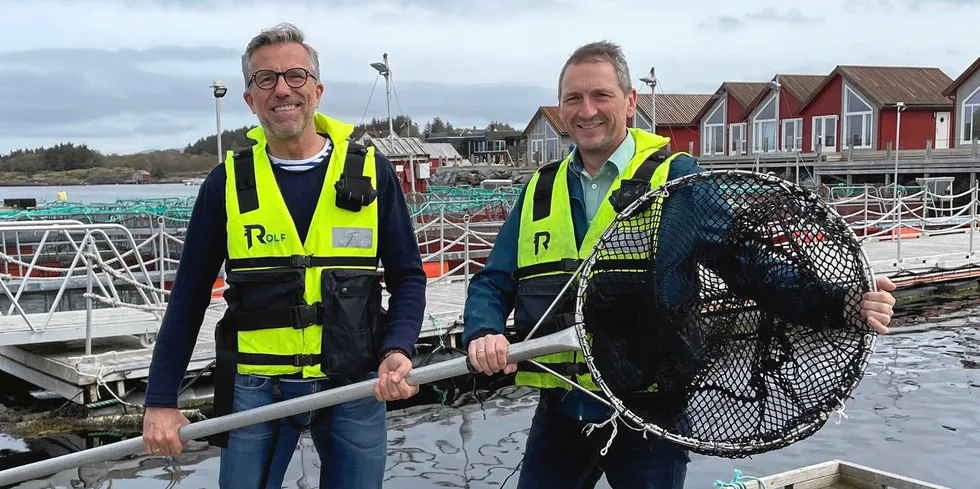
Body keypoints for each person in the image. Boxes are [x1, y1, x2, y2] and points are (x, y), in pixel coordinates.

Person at [462, 40, 897, 489]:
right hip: (561, 410)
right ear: (560, 108)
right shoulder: (538, 189)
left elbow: (752, 265)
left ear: (630, 103)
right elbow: (493, 281)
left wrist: (840, 303)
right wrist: (483, 330)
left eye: (601, 96)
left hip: (651, 416)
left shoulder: (675, 179)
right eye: (573, 98)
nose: (586, 110)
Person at [141, 23, 427, 489]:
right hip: (256, 388)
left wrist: (398, 348)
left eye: (295, 76)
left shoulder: (372, 172)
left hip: (353, 382)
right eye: (264, 79)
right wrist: (160, 400)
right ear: (249, 99)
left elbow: (408, 277)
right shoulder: (226, 184)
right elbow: (188, 297)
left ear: (317, 90)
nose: (282, 90)